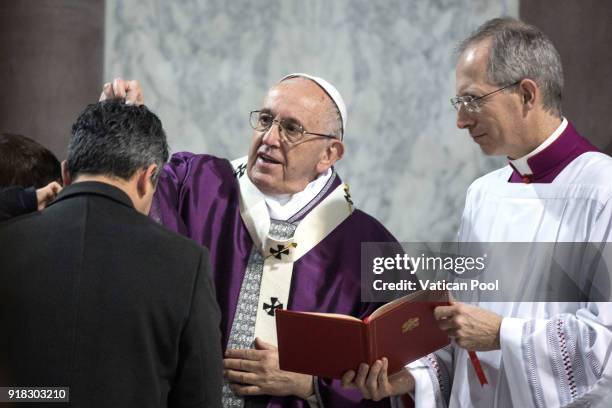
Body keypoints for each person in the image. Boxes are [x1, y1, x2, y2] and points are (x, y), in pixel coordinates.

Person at [341, 17, 612, 407]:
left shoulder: (600, 190)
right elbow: (463, 328)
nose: (461, 120)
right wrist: (411, 379)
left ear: (526, 94)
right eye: (459, 103)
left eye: (472, 100)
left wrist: (503, 334)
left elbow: (604, 339)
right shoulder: (483, 194)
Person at [101, 74, 397, 407]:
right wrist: (129, 128)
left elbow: (407, 371)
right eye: (266, 120)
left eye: (292, 128)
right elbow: (131, 204)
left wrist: (310, 384)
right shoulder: (197, 184)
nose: (270, 138)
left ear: (329, 153)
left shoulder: (368, 246)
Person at [0, 100, 223, 407]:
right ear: (148, 178)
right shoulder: (187, 262)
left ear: (65, 172)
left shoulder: (8, 240)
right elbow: (200, 398)